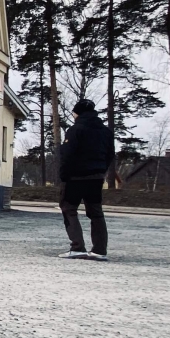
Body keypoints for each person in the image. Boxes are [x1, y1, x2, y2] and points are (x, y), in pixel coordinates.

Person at [58, 99, 115, 261]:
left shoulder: (75, 129)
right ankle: (100, 250)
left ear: (77, 113)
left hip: (75, 177)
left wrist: (64, 176)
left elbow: (67, 155)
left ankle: (77, 247)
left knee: (69, 209)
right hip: (96, 177)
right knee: (96, 212)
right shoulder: (106, 131)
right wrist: (101, 171)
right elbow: (110, 154)